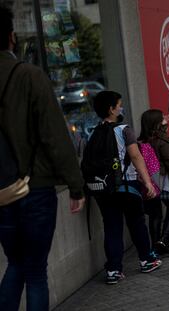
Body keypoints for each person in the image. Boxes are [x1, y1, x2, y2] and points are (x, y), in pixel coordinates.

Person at [0, 5, 85, 310]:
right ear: (11, 37)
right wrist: (76, 185)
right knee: (35, 270)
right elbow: (54, 136)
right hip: (34, 186)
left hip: (2, 192)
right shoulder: (29, 76)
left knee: (15, 264)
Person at [91, 91, 161, 284]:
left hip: (104, 189)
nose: (121, 108)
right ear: (111, 109)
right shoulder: (124, 130)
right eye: (119, 105)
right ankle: (146, 259)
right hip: (126, 185)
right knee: (136, 222)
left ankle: (113, 270)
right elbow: (136, 157)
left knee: (112, 226)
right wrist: (147, 182)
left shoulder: (94, 132)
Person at [139, 109, 169, 256]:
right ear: (157, 123)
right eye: (162, 117)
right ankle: (164, 239)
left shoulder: (141, 142)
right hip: (164, 181)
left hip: (149, 182)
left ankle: (154, 247)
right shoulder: (162, 140)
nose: (165, 118)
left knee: (155, 214)